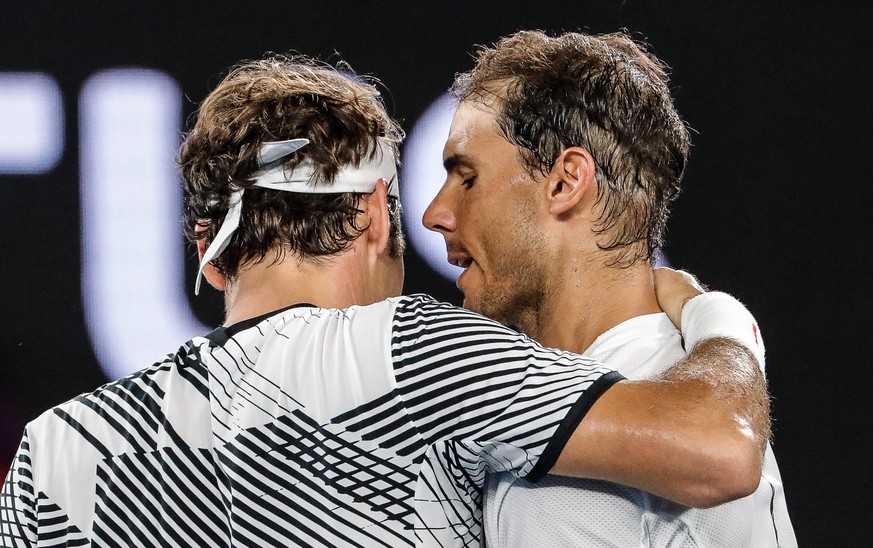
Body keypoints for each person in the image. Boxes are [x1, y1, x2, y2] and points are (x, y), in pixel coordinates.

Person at [2, 55, 764, 548]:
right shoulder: (414, 353)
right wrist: (712, 311)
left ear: (210, 248)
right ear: (371, 216)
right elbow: (718, 449)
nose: (436, 215)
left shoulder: (54, 450)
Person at [423, 30, 796, 546]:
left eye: (467, 178)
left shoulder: (661, 414)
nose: (433, 214)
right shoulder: (649, 390)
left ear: (564, 182)